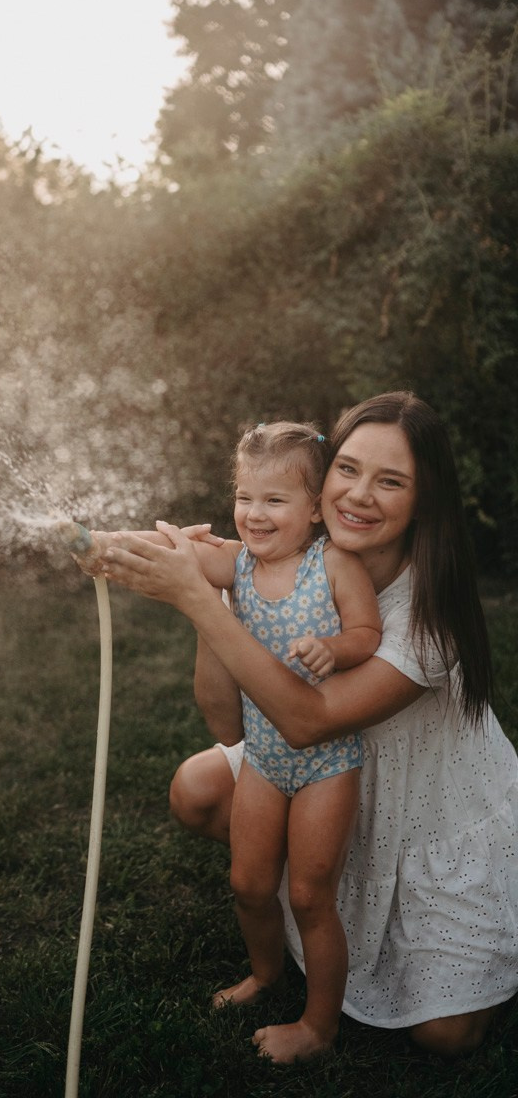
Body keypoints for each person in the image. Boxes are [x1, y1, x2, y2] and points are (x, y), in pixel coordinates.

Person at [98, 392, 518, 1063]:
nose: (359, 494)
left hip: (424, 809)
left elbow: (308, 721)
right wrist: (112, 549)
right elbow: (227, 722)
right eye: (348, 470)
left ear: (424, 500)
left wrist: (201, 604)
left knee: (444, 1035)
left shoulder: (428, 623)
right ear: (321, 481)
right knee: (198, 789)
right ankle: (290, 926)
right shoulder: (281, 558)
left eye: (391, 481)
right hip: (307, 774)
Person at [83, 420, 382, 1062]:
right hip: (266, 761)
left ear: (314, 507)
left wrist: (333, 647)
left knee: (309, 892)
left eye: (276, 500)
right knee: (248, 882)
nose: (255, 514)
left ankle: (320, 1026)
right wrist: (102, 543)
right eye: (246, 497)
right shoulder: (238, 564)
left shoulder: (334, 564)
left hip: (329, 761)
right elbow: (177, 560)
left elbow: (367, 634)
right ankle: (266, 975)